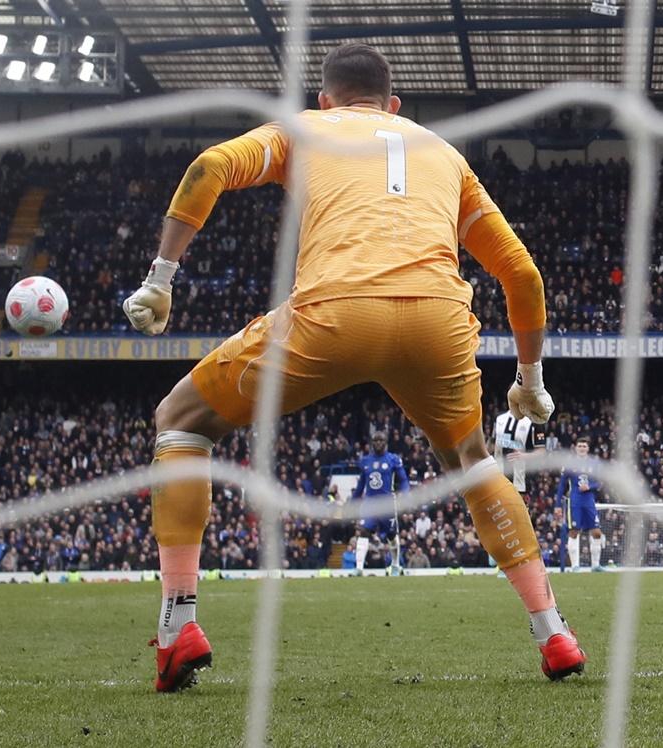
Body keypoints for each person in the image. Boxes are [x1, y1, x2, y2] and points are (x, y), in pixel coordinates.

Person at [122, 44, 585, 692]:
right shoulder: (442, 154)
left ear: (325, 100)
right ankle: (553, 631)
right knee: (474, 462)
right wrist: (529, 382)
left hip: (335, 315)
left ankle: (177, 629)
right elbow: (522, 274)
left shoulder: (304, 130)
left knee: (180, 422)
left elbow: (209, 168)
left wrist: (161, 279)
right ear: (394, 105)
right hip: (437, 322)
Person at [349, 431, 409, 574]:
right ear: (372, 443)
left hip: (388, 503)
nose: (378, 443)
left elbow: (404, 480)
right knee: (364, 531)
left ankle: (395, 565)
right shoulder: (365, 461)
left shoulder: (393, 459)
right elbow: (361, 485)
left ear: (386, 442)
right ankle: (358, 568)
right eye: (375, 440)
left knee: (391, 535)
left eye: (381, 440)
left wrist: (405, 495)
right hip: (370, 503)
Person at [556, 437, 604, 572]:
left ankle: (595, 565)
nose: (582, 448)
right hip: (574, 502)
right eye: (580, 446)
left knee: (596, 532)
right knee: (574, 532)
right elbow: (561, 486)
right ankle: (575, 566)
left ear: (588, 449)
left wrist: (589, 487)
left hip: (589, 501)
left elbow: (600, 483)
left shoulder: (594, 464)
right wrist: (557, 505)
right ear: (575, 448)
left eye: (584, 446)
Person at [493, 409, 546, 494]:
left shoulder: (535, 421)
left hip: (522, 482)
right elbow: (493, 444)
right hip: (499, 480)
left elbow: (542, 451)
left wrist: (524, 456)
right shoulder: (499, 419)